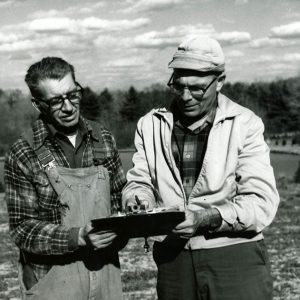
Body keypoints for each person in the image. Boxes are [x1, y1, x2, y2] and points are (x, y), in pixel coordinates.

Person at [122, 37, 279, 300]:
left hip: (234, 255)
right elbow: (139, 181)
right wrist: (139, 201)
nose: (186, 97)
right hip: (173, 255)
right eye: (178, 86)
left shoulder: (246, 124)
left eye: (197, 89)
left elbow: (261, 204)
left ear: (220, 81)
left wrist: (204, 218)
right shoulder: (150, 124)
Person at [4, 57, 126, 300]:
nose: (69, 107)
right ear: (39, 105)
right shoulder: (24, 152)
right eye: (57, 101)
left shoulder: (102, 138)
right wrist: (77, 237)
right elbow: (22, 230)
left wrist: (134, 210)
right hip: (52, 281)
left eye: (73, 95)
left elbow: (118, 198)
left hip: (105, 275)